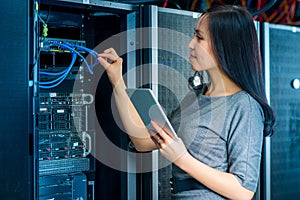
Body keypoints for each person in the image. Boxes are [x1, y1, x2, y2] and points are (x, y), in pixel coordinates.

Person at [97, 4, 275, 199]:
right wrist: (117, 80)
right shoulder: (196, 96)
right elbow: (143, 142)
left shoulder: (245, 106)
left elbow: (243, 191)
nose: (190, 44)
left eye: (199, 37)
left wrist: (182, 159)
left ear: (224, 45)